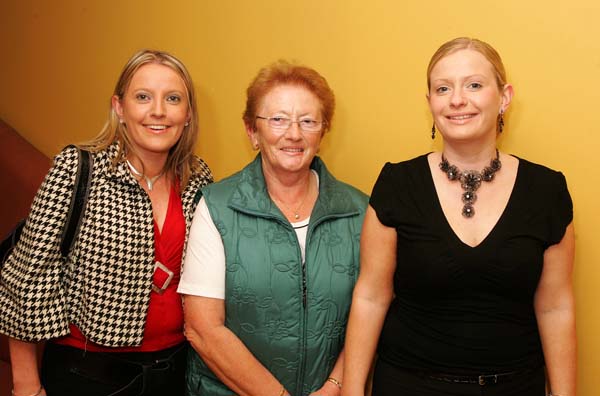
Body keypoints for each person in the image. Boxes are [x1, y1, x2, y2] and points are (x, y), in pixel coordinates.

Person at [342, 37, 576, 396]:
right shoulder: (397, 184)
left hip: (514, 386)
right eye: (442, 88)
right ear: (430, 102)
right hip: (408, 385)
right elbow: (371, 296)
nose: (456, 100)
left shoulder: (547, 191)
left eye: (474, 85)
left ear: (505, 96)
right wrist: (352, 390)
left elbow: (555, 307)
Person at [0, 49, 213, 396]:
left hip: (175, 370)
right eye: (143, 97)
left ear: (187, 114)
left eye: (172, 98)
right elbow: (25, 278)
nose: (158, 110)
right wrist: (25, 381)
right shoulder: (78, 169)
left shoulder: (199, 178)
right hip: (87, 374)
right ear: (119, 107)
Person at [178, 60, 368, 396]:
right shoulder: (218, 206)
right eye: (278, 119)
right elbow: (202, 328)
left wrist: (336, 386)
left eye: (308, 121)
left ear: (323, 132)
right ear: (252, 131)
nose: (293, 134)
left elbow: (370, 313)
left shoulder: (360, 210)